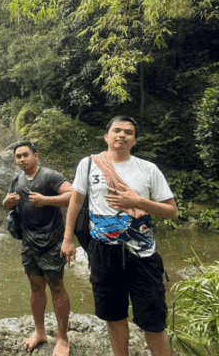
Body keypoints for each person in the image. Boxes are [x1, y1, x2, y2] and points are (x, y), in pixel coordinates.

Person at [61, 116, 178, 356]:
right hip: (103, 253)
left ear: (134, 141)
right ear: (107, 137)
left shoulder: (148, 169)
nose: (122, 135)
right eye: (117, 130)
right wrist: (67, 239)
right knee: (113, 316)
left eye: (128, 132)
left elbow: (171, 211)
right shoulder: (89, 164)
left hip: (143, 254)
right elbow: (76, 201)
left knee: (153, 320)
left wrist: (139, 201)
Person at [3, 141, 72, 356]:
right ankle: (39, 332)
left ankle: (62, 337)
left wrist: (46, 200)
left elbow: (73, 196)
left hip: (52, 240)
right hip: (28, 241)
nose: (22, 159)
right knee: (35, 286)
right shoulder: (17, 180)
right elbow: (6, 205)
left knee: (56, 286)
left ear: (35, 156)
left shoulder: (50, 176)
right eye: (18, 156)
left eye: (26, 155)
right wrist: (7, 202)